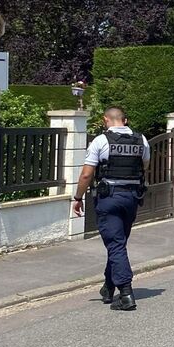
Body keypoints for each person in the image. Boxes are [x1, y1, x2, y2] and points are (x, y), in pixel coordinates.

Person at [71, 106, 151, 312]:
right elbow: (145, 166)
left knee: (115, 244)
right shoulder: (141, 140)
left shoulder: (100, 141)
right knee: (118, 243)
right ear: (125, 120)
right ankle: (108, 287)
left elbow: (86, 175)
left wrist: (78, 197)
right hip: (132, 197)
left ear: (106, 120)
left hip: (109, 198)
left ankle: (125, 293)